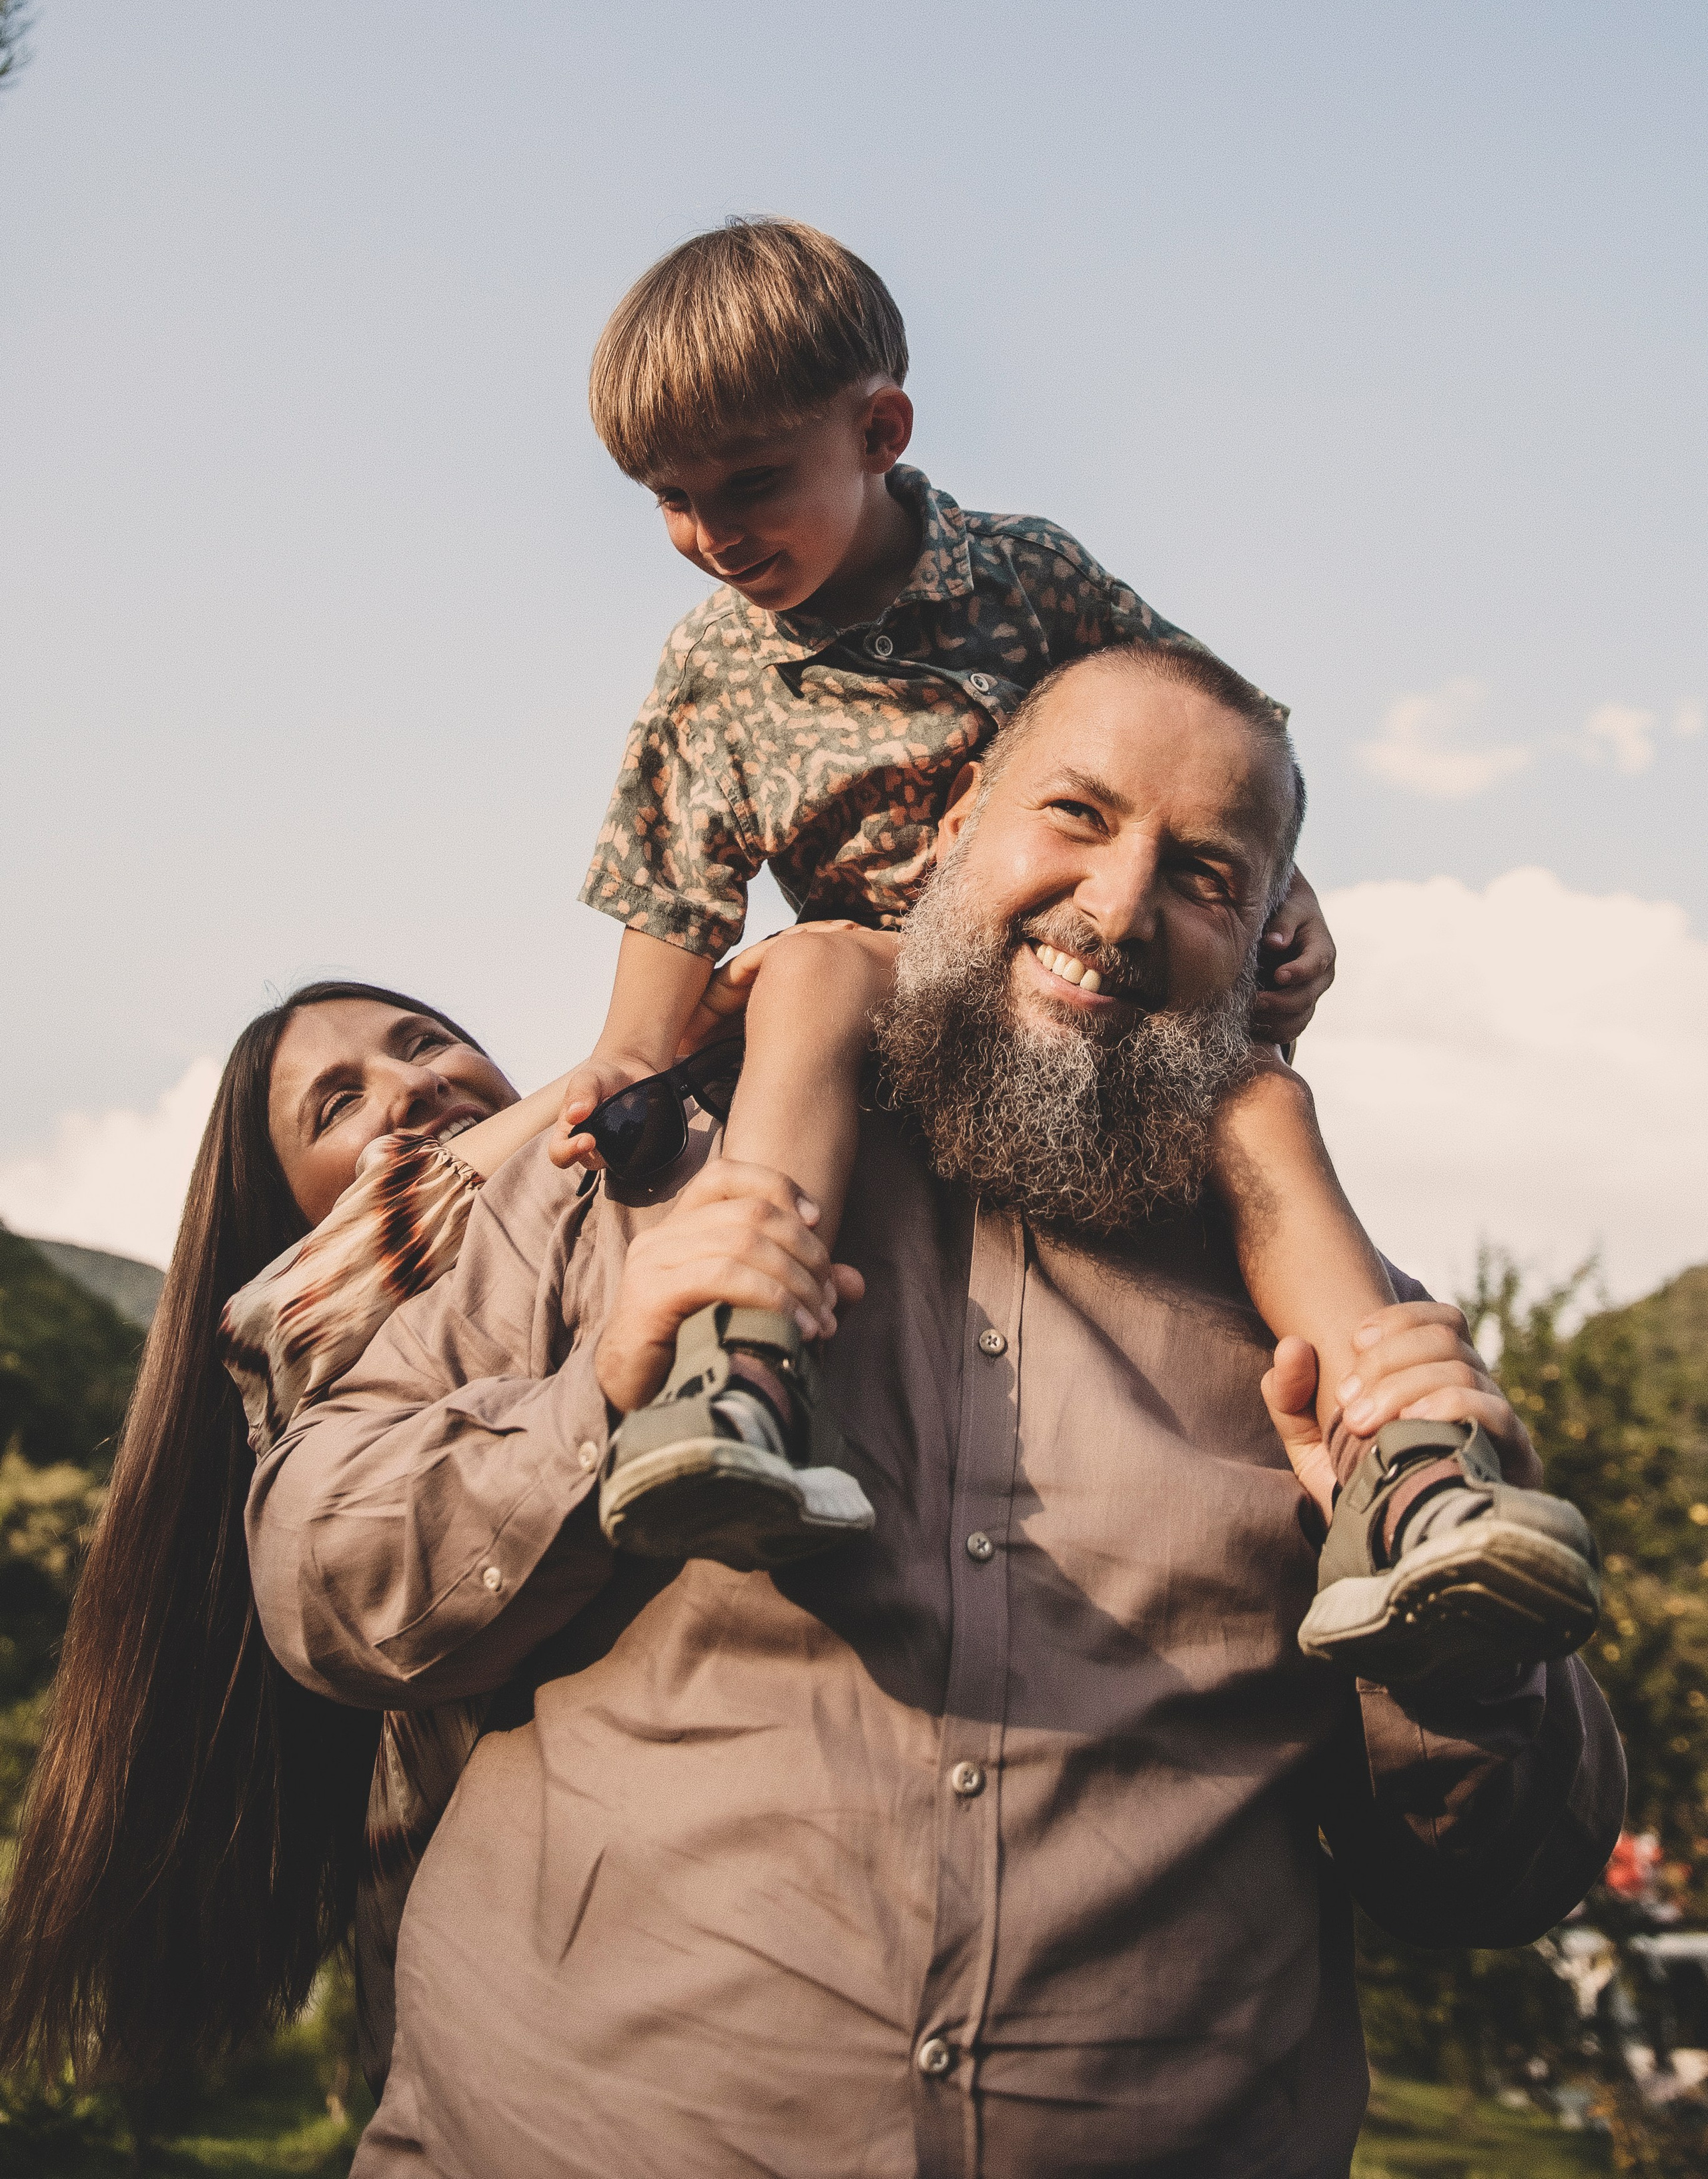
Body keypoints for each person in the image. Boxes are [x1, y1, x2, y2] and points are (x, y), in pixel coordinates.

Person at [247, 643, 1621, 2179]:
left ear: (1266, 938)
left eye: (1205, 873)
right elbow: (322, 1583)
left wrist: (1453, 1655)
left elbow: (1501, 1882)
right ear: (959, 818)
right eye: (1076, 814)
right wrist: (591, 1408)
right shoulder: (624, 1182)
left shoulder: (1350, 1331)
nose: (1114, 907)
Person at [544, 217, 1593, 1687]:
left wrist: (1282, 889)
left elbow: (1218, 737)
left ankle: (1406, 1470)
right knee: (821, 970)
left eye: (751, 484)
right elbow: (673, 876)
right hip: (863, 990)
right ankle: (742, 1366)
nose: (711, 534)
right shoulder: (709, 663)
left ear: (880, 430)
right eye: (670, 500)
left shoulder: (1025, 579)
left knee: (1260, 1108)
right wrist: (629, 1059)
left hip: (1065, 1011)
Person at [0, 981, 571, 2092]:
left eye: (427, 1043)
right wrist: (628, 1059)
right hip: (515, 2017)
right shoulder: (306, 1340)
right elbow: (285, 1307)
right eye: (338, 1104)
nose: (412, 1086)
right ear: (289, 1216)